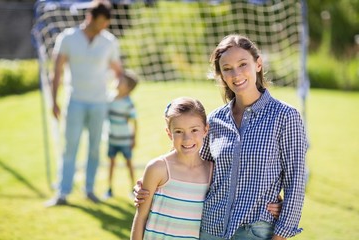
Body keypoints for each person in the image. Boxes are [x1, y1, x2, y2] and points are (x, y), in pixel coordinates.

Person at [134, 34, 308, 240]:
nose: (236, 74)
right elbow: (191, 162)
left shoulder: (286, 116)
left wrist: (280, 234)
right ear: (221, 75)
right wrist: (150, 183)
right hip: (210, 227)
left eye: (243, 64)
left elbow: (296, 181)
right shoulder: (215, 119)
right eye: (227, 68)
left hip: (255, 231)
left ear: (258, 64)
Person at [45, 0, 124, 207]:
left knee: (95, 148)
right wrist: (54, 101)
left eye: (106, 22)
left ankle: (89, 189)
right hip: (75, 101)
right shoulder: (68, 38)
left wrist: (119, 92)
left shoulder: (109, 41)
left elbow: (118, 71)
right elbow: (57, 72)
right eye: (101, 21)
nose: (103, 26)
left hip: (100, 103)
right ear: (90, 17)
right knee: (70, 147)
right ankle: (62, 192)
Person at [131, 97, 213, 240]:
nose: (187, 139)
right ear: (169, 133)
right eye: (179, 131)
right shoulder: (158, 168)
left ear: (206, 129)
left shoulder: (212, 172)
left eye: (194, 130)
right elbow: (141, 218)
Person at [104, 70, 138, 199]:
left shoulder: (128, 103)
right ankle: (109, 189)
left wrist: (134, 138)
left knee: (129, 164)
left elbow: (134, 121)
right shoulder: (109, 98)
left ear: (128, 88)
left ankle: (132, 189)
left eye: (122, 81)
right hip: (112, 139)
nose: (117, 82)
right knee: (111, 164)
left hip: (125, 140)